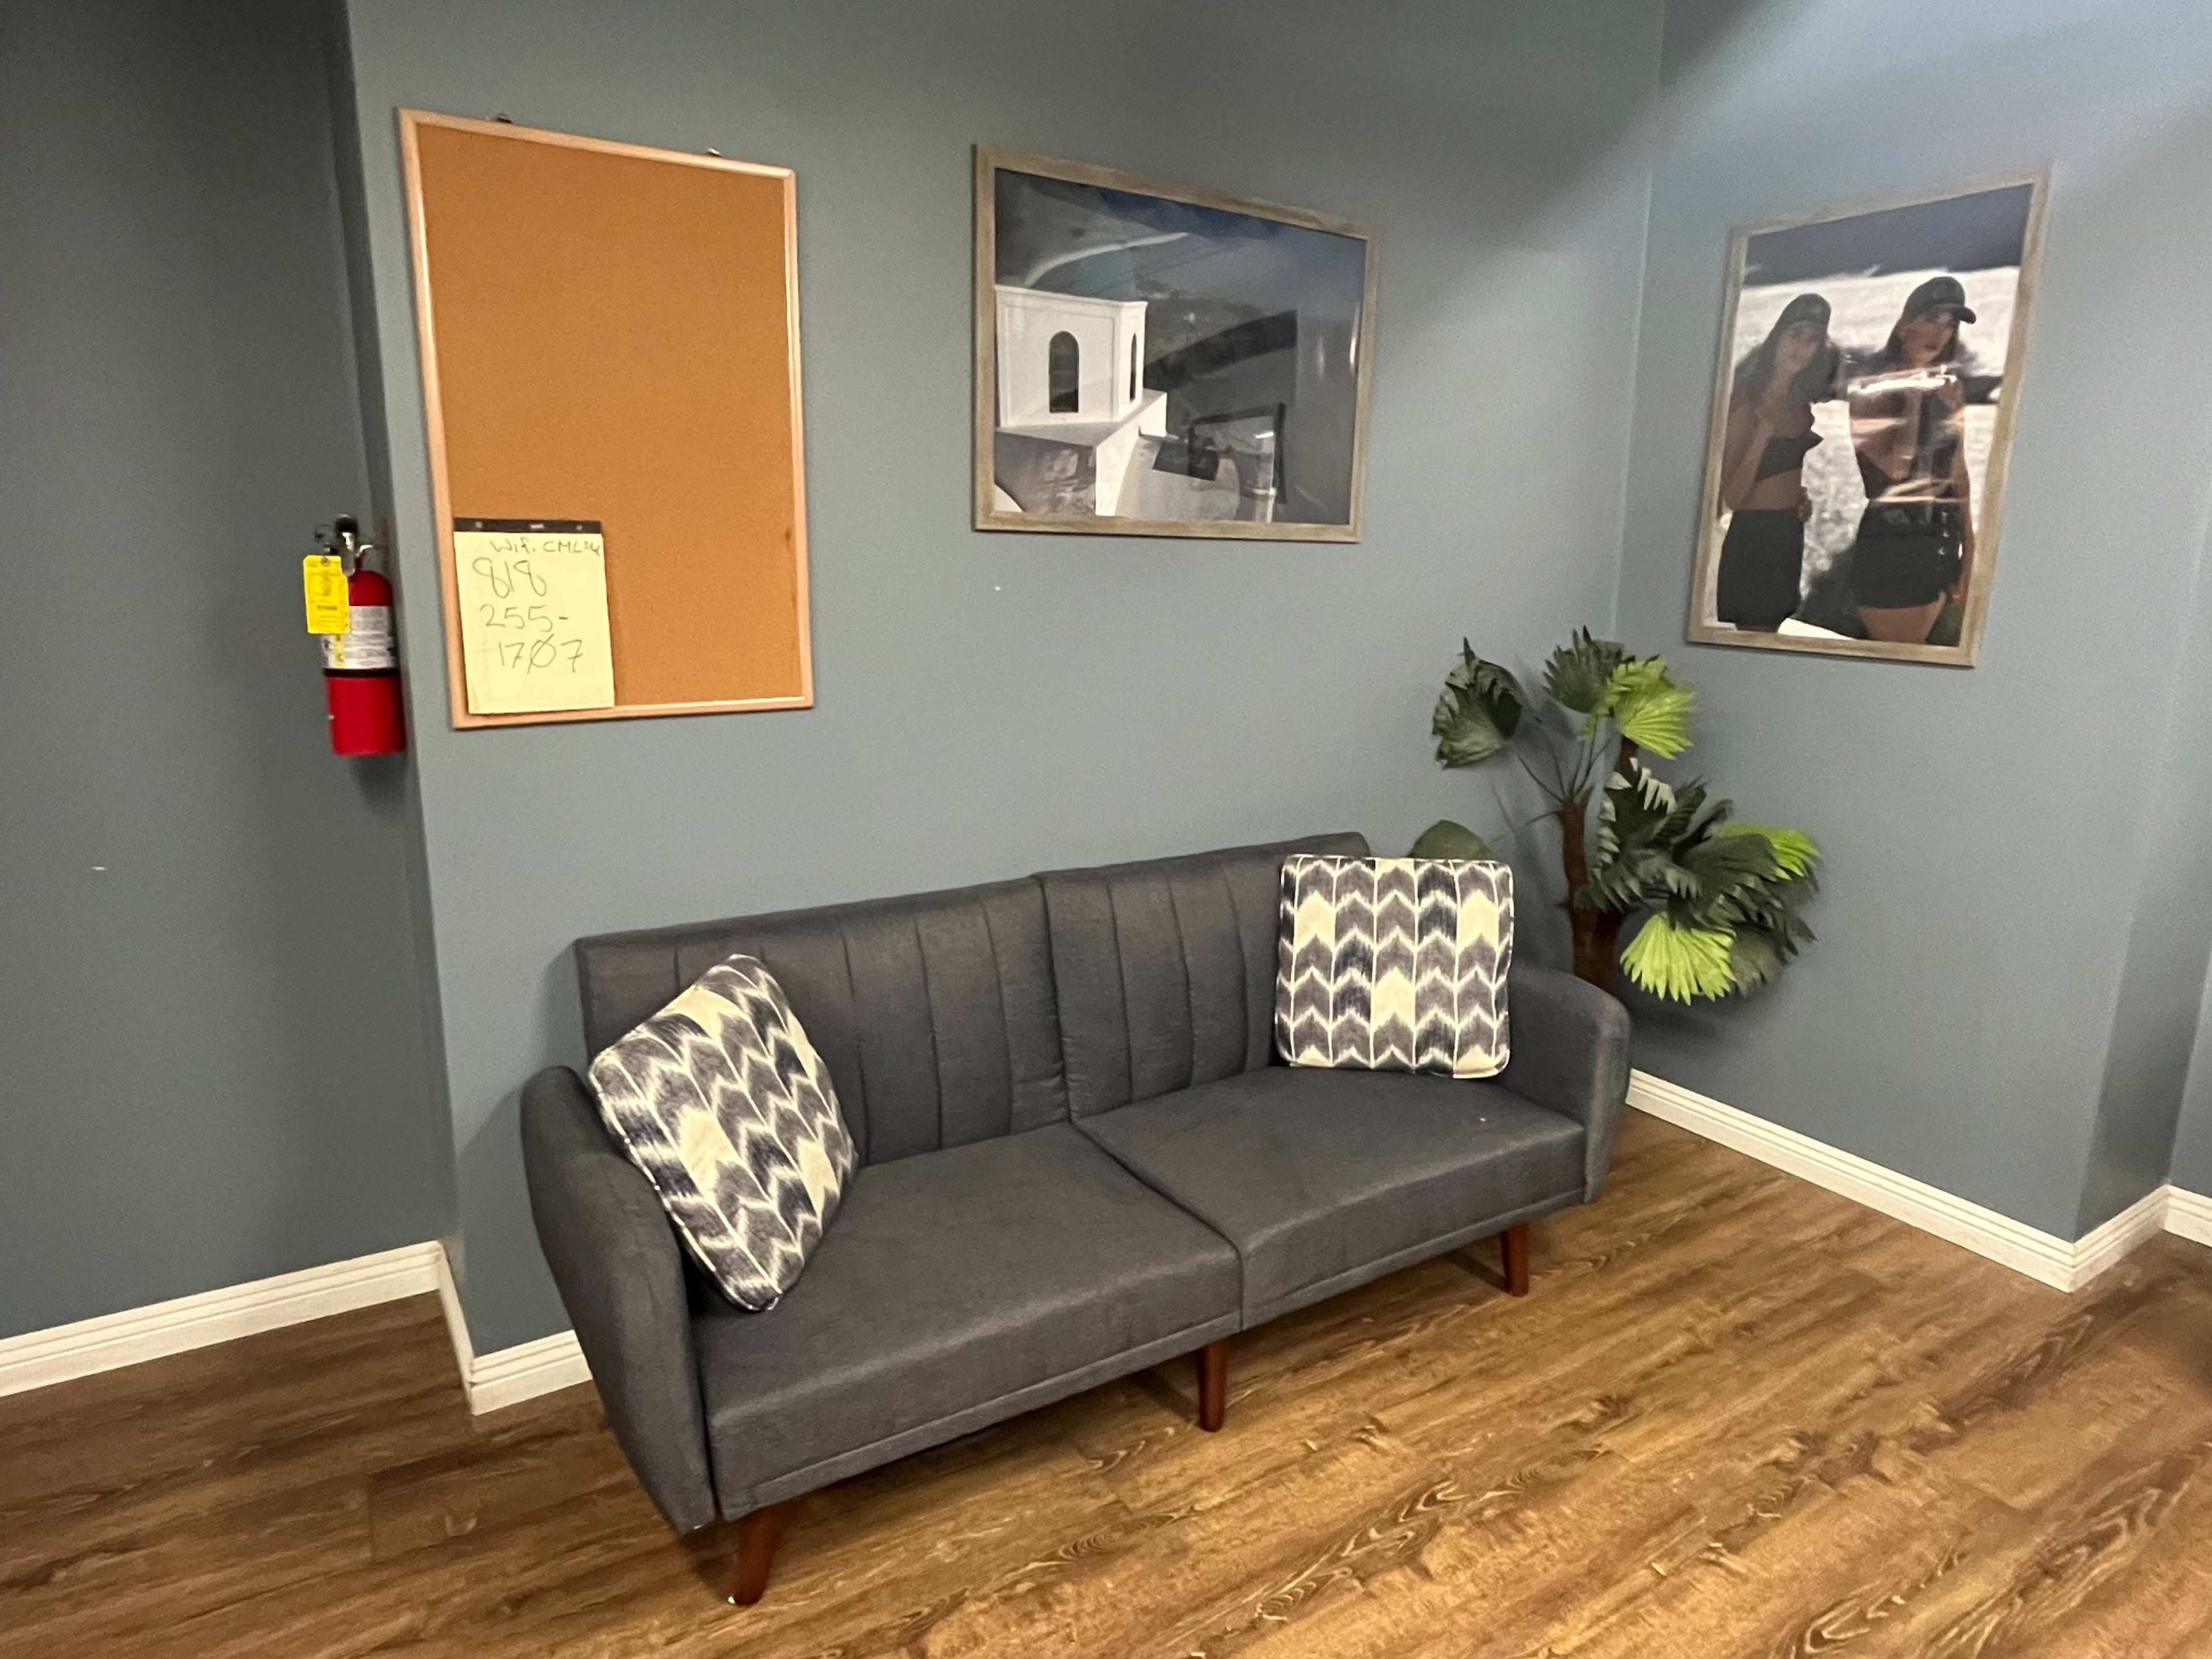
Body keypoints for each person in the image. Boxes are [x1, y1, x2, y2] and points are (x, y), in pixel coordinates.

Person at [1847, 275, 1978, 643]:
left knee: (1925, 657)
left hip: (1941, 538)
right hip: (1893, 541)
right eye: (1932, 318)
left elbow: (1958, 470)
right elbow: (1896, 469)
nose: (1941, 332)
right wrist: (1913, 396)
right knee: (1895, 659)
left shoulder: (1950, 388)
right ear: (1907, 325)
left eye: (1950, 324)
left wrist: (1970, 551)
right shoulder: (1872, 390)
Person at [1714, 293, 1838, 631]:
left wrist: (1799, 496)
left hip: (1788, 532)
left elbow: (1783, 469)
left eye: (1812, 340)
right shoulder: (1747, 399)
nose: (1802, 347)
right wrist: (1761, 438)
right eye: (1795, 334)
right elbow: (1733, 498)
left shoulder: (1799, 404)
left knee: (1773, 633)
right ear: (1777, 338)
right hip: (1754, 537)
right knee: (1753, 641)